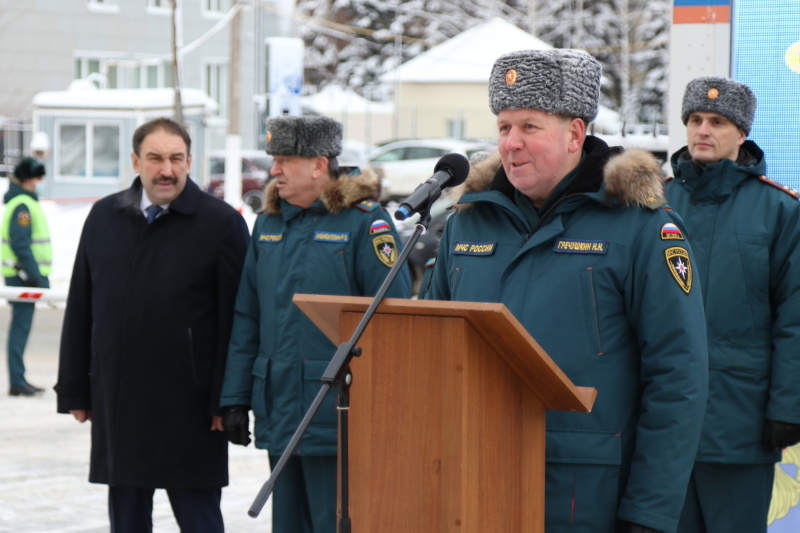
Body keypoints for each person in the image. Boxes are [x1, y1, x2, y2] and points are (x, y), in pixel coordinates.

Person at [421, 49, 709, 533]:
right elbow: (430, 354)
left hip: (588, 497)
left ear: (575, 133)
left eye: (529, 127)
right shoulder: (467, 224)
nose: (510, 144)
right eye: (504, 127)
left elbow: (678, 376)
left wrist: (649, 509)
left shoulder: (641, 227)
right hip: (473, 486)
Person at [55, 117, 250, 533]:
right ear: (135, 160)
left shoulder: (221, 224)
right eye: (156, 158)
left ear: (190, 161)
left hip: (193, 409)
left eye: (177, 159)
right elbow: (81, 308)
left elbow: (239, 319)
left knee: (200, 521)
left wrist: (228, 399)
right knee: (126, 521)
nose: (167, 169)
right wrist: (74, 387)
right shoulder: (104, 217)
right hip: (120, 403)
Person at [219, 115, 412, 533]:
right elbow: (248, 317)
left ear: (319, 165)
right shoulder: (268, 225)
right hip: (280, 407)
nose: (274, 171)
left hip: (339, 415)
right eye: (275, 160)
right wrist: (235, 397)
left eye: (284, 159)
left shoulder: (366, 223)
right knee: (287, 525)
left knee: (336, 522)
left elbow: (394, 322)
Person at [665, 76, 800, 533]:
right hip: (662, 426)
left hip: (740, 423)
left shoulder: (780, 211)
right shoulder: (653, 205)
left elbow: (795, 317)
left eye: (718, 122)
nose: (703, 130)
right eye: (696, 119)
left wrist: (789, 407)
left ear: (741, 134)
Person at [2, 157, 50, 396]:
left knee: (21, 327)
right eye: (37, 177)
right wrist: (36, 276)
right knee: (20, 328)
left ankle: (19, 378)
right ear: (26, 179)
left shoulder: (23, 202)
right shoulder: (22, 205)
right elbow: (21, 245)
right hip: (22, 277)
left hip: (23, 275)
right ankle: (17, 381)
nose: (40, 182)